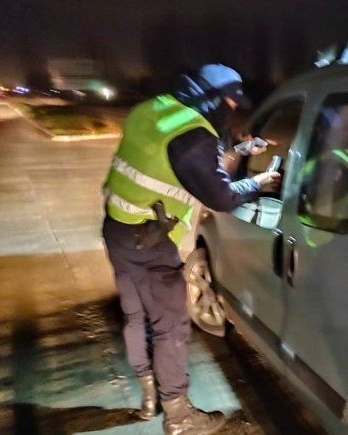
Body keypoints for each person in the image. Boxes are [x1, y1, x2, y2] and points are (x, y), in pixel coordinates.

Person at [101, 64, 280, 435]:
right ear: (214, 98)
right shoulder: (193, 136)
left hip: (117, 228)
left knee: (135, 316)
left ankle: (149, 398)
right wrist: (259, 181)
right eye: (231, 101)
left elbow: (185, 153)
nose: (234, 108)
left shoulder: (153, 110)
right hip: (150, 244)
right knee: (170, 328)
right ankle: (179, 416)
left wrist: (244, 148)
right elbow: (221, 196)